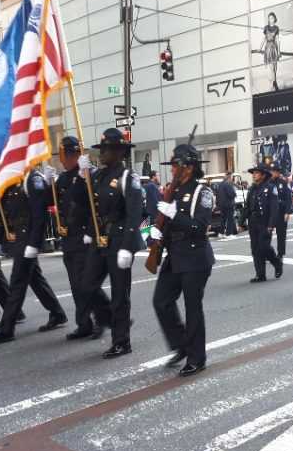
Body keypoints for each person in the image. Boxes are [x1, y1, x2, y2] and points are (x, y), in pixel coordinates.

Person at [78, 128, 144, 359]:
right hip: (100, 238)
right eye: (101, 149)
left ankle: (121, 341)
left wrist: (127, 246)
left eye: (106, 150)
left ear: (118, 152)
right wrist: (81, 174)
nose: (102, 153)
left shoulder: (128, 178)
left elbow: (136, 214)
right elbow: (89, 205)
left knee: (119, 294)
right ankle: (110, 319)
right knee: (86, 285)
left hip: (119, 238)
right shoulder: (97, 176)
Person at [0, 167, 67, 344]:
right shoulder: (13, 179)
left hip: (28, 238)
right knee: (34, 278)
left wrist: (34, 243)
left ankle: (7, 328)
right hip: (19, 237)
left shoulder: (32, 179)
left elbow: (40, 214)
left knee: (17, 282)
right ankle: (57, 313)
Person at [152, 144, 215, 377]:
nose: (173, 170)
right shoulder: (172, 191)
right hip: (174, 254)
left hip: (195, 256)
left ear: (189, 167)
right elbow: (156, 218)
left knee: (192, 307)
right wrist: (150, 232)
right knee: (161, 300)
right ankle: (181, 344)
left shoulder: (203, 192)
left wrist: (174, 215)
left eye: (176, 165)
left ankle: (197, 358)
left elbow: (199, 227)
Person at [54, 136, 111, 341]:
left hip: (85, 237)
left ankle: (105, 318)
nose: (62, 160)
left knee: (87, 283)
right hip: (69, 237)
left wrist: (90, 231)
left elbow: (95, 205)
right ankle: (83, 323)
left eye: (65, 155)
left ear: (74, 155)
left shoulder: (89, 173)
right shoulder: (63, 178)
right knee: (76, 285)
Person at [242, 160, 283, 282]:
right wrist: (241, 222)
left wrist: (271, 225)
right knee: (255, 249)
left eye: (256, 173)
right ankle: (260, 274)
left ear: (263, 175)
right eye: (253, 173)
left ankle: (276, 262)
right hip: (253, 222)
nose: (254, 175)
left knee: (264, 247)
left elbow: (274, 208)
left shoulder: (271, 188)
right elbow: (247, 207)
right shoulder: (252, 189)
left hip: (265, 222)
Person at [270, 160, 292, 257]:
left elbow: (288, 197)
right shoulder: (267, 183)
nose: (273, 173)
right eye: (272, 171)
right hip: (270, 212)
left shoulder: (283, 182)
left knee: (281, 234)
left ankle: (280, 252)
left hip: (281, 211)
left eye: (275, 171)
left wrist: (287, 212)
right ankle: (267, 252)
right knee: (266, 233)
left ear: (278, 172)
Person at [217, 171, 237, 237]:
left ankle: (221, 232)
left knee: (223, 219)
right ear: (230, 177)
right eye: (232, 177)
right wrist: (234, 193)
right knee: (230, 219)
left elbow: (218, 194)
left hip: (221, 204)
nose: (232, 179)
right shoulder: (228, 184)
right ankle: (229, 233)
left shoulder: (220, 184)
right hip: (228, 204)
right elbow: (231, 194)